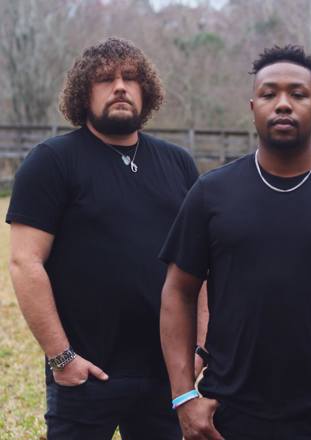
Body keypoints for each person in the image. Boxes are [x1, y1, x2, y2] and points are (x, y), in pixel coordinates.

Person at [159, 44, 311, 440]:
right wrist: (183, 396)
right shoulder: (212, 193)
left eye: (297, 94)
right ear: (252, 106)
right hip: (228, 414)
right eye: (269, 93)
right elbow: (178, 291)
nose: (282, 104)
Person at [6, 37, 199, 440]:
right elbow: (25, 262)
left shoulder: (178, 164)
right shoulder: (51, 161)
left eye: (131, 77)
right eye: (105, 79)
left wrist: (198, 350)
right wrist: (62, 358)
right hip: (86, 374)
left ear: (147, 89)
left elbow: (197, 266)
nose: (120, 87)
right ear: (83, 91)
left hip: (165, 373)